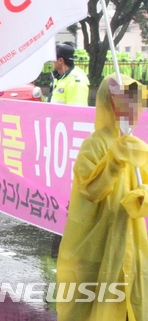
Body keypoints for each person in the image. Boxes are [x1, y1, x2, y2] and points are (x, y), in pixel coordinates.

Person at [56, 74, 148, 321]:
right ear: (111, 104)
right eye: (128, 101)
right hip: (98, 244)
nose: (135, 109)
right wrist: (115, 161)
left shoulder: (135, 145)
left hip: (130, 243)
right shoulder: (93, 146)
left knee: (131, 305)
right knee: (93, 308)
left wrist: (142, 197)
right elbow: (91, 191)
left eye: (136, 102)